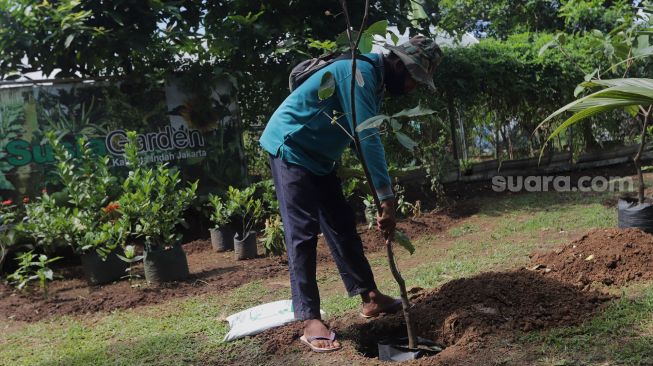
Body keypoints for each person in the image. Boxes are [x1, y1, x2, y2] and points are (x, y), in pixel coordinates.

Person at [259, 36, 442, 353]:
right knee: (302, 233)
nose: (412, 86)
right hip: (291, 148)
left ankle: (369, 298)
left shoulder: (375, 80)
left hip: (318, 159)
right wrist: (386, 195)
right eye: (413, 76)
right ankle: (310, 319)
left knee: (341, 223)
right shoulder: (358, 72)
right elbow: (366, 135)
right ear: (398, 62)